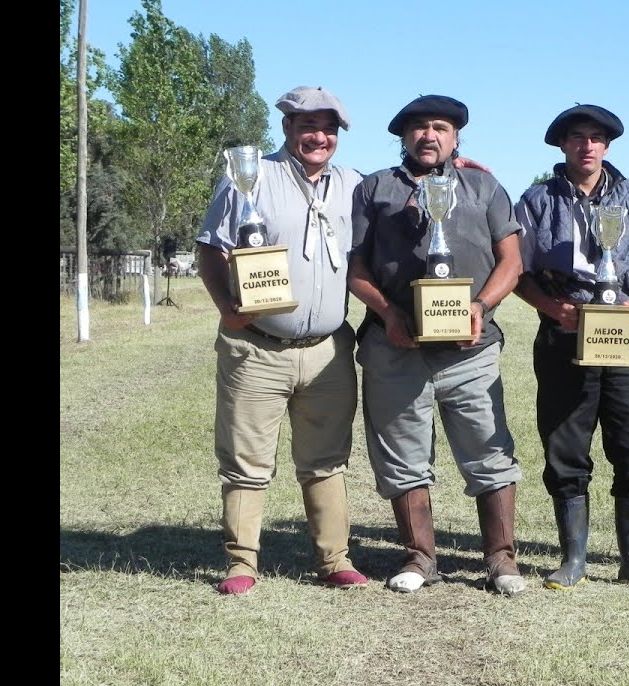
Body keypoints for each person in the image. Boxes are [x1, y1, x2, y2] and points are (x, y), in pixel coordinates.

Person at [348, 94, 527, 596]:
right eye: (420, 128)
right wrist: (388, 313)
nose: (430, 135)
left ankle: (501, 558)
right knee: (403, 457)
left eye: (441, 128)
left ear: (456, 137)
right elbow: (356, 269)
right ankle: (418, 556)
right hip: (395, 348)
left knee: (489, 453)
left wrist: (480, 307)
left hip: (472, 350)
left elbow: (511, 262)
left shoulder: (484, 186)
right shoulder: (374, 189)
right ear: (403, 137)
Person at [195, 86, 367, 595]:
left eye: (328, 128)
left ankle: (335, 559)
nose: (319, 137)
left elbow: (410, 193)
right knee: (246, 461)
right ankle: (241, 564)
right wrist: (226, 308)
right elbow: (210, 247)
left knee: (326, 459)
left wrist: (460, 167)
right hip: (259, 347)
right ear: (287, 128)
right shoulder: (251, 178)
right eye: (307, 126)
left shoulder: (354, 185)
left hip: (329, 349)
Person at [513, 104, 629, 591]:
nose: (587, 145)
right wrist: (552, 308)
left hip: (623, 336)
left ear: (607, 146)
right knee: (565, 446)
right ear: (562, 145)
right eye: (577, 137)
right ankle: (574, 559)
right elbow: (516, 272)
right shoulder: (537, 199)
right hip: (563, 336)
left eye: (596, 138)